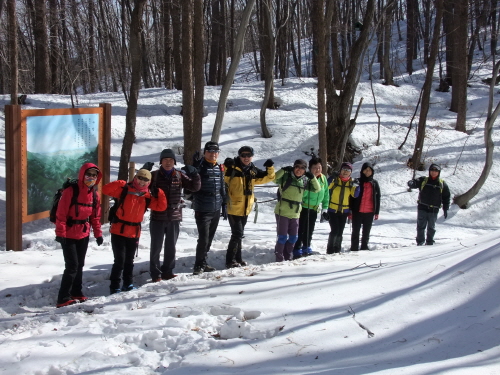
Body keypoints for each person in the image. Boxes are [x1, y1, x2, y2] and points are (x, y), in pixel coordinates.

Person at [103, 169, 167, 294]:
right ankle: (114, 286)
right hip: (118, 230)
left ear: (149, 182)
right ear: (135, 178)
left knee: (129, 261)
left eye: (146, 180)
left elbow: (161, 206)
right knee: (119, 261)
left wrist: (159, 192)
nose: (142, 182)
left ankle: (128, 284)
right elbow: (105, 190)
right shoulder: (125, 189)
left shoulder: (147, 196)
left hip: (133, 232)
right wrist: (119, 182)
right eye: (140, 178)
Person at [148, 149, 201, 281]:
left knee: (171, 246)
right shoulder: (154, 175)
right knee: (156, 246)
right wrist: (143, 173)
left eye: (170, 160)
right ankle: (155, 273)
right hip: (157, 217)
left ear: (174, 162)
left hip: (174, 216)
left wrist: (195, 174)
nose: (168, 162)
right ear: (161, 162)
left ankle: (168, 271)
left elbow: (195, 187)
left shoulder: (179, 175)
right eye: (165, 160)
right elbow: (140, 186)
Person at [55, 163, 103, 308]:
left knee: (80, 265)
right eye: (89, 174)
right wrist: (60, 232)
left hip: (83, 232)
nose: (91, 178)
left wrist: (98, 234)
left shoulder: (94, 194)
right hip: (68, 233)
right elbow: (61, 213)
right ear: (83, 175)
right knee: (72, 266)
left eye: (94, 175)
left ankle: (76, 292)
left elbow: (95, 216)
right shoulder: (71, 191)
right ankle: (63, 297)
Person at [223, 146, 275, 268]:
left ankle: (238, 258)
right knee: (237, 234)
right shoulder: (232, 168)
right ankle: (230, 260)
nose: (246, 158)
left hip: (246, 208)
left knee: (239, 234)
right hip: (233, 207)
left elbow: (268, 178)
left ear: (252, 156)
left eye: (248, 155)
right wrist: (226, 165)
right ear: (239, 156)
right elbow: (222, 175)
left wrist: (270, 168)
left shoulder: (252, 170)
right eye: (243, 155)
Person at [274, 159, 321, 262]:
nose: (299, 170)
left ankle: (288, 256)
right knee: (282, 237)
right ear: (293, 167)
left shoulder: (304, 180)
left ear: (305, 170)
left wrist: (312, 177)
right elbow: (273, 178)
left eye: (302, 168)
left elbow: (317, 189)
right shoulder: (286, 177)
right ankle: (280, 259)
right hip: (282, 211)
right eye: (297, 167)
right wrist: (283, 170)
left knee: (293, 238)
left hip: (295, 213)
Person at [192, 141, 227, 275]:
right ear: (205, 152)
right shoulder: (200, 166)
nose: (213, 154)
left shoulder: (219, 167)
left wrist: (224, 204)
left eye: (215, 151)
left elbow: (222, 187)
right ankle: (198, 265)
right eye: (210, 151)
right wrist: (195, 165)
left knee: (210, 237)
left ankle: (203, 262)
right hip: (202, 208)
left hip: (216, 208)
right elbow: (191, 179)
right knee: (203, 237)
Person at [293, 157, 329, 259]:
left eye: (319, 167)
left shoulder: (323, 178)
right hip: (303, 207)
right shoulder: (306, 178)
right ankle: (297, 248)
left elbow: (326, 194)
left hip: (314, 208)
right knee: (300, 229)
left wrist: (325, 207)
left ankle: (306, 246)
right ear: (310, 168)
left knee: (310, 229)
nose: (317, 170)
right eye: (315, 168)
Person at [407, 163, 450, 245]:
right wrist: (411, 183)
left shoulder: (442, 183)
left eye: (436, 171)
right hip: (422, 207)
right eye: (432, 170)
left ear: (439, 172)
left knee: (431, 227)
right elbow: (416, 182)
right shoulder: (424, 180)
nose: (434, 172)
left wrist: (446, 208)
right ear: (429, 171)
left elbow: (446, 197)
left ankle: (430, 242)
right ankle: (420, 242)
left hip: (434, 209)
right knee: (420, 227)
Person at [324, 162, 359, 254]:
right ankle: (330, 249)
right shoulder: (335, 180)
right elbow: (326, 186)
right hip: (333, 209)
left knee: (340, 232)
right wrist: (332, 177)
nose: (345, 172)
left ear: (351, 172)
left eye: (348, 170)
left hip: (344, 211)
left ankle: (337, 249)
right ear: (340, 170)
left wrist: (357, 186)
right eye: (344, 169)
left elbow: (355, 195)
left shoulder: (351, 182)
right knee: (335, 230)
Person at [349, 162, 381, 251]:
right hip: (357, 211)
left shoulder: (374, 183)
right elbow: (351, 196)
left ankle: (364, 247)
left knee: (366, 232)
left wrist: (377, 212)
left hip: (369, 211)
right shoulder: (357, 181)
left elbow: (378, 197)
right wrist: (350, 210)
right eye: (365, 170)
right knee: (355, 231)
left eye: (369, 170)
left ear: (372, 172)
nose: (367, 172)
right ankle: (354, 247)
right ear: (362, 171)